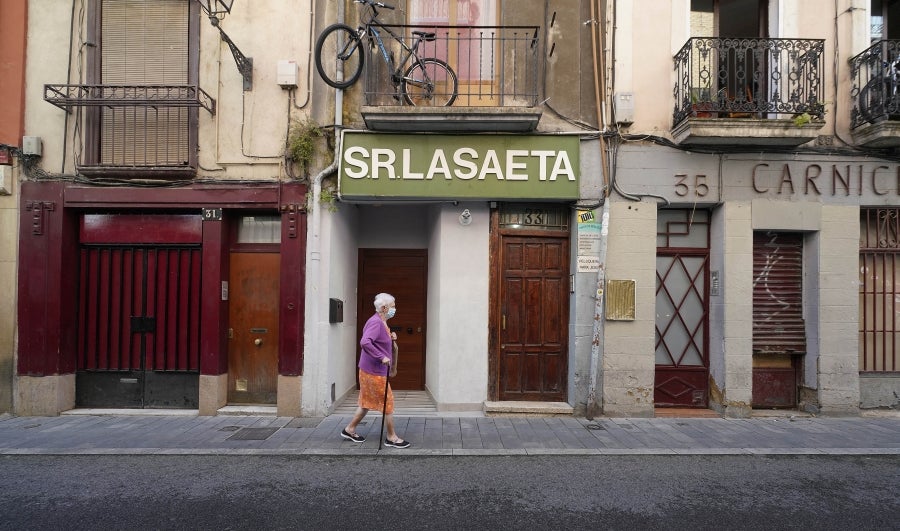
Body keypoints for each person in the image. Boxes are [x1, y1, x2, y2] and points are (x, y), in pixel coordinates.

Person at [340, 292, 411, 449]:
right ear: (384, 308)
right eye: (393, 306)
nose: (394, 309)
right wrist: (381, 357)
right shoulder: (376, 322)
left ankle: (349, 429)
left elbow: (377, 340)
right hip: (373, 371)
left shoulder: (382, 321)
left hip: (371, 369)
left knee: (366, 402)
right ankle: (391, 437)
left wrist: (391, 338)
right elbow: (365, 342)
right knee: (388, 402)